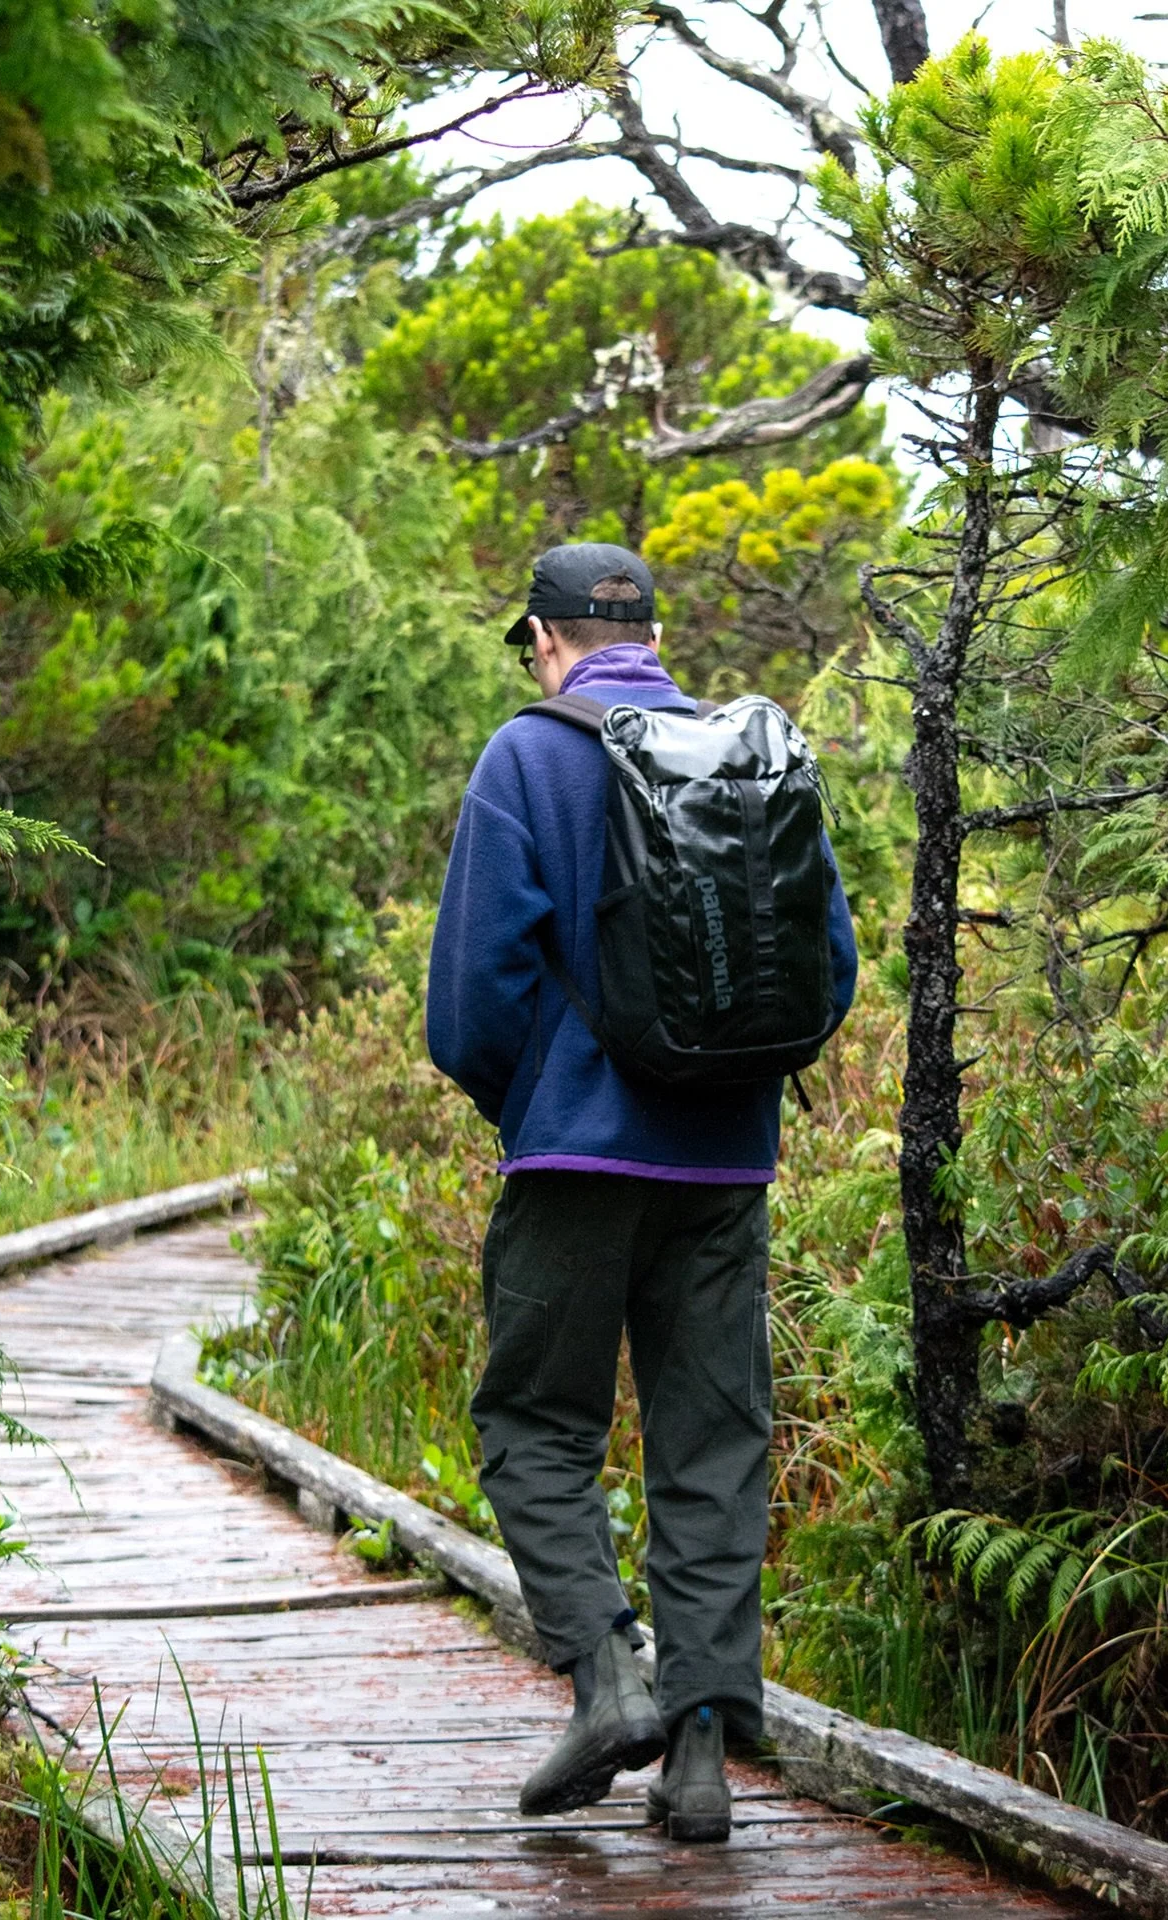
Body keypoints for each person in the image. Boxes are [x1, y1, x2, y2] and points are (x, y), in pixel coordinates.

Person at [426, 541, 858, 1842]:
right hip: (727, 1165)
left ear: (547, 641)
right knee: (713, 1445)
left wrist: (539, 1103)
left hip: (573, 1162)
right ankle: (705, 1755)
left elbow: (468, 1008)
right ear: (651, 638)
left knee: (532, 1424)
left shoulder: (529, 756)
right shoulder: (749, 755)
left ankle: (609, 1674)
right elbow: (826, 970)